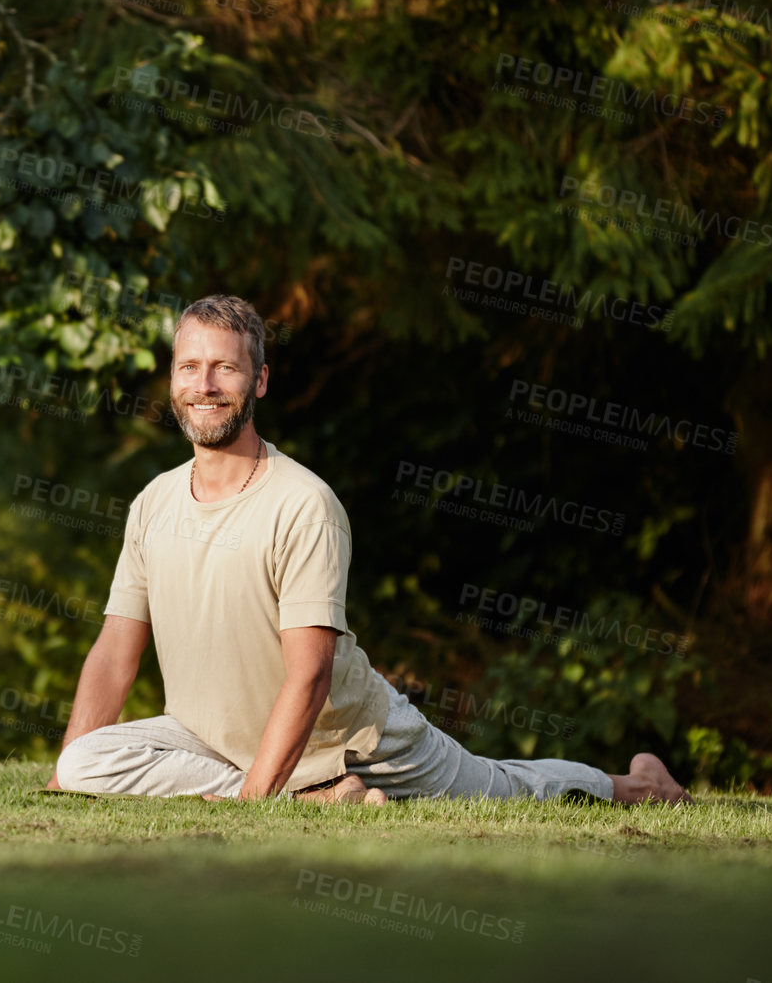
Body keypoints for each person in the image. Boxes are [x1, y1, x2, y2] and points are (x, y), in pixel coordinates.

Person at [44, 294, 690, 805]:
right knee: (83, 761)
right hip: (211, 741)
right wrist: (61, 782)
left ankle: (636, 786)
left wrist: (252, 804)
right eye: (190, 366)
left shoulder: (303, 503)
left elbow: (311, 673)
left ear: (260, 381)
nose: (205, 384)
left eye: (225, 368)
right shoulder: (154, 502)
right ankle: (315, 802)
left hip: (357, 743)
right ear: (173, 378)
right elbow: (112, 653)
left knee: (500, 787)